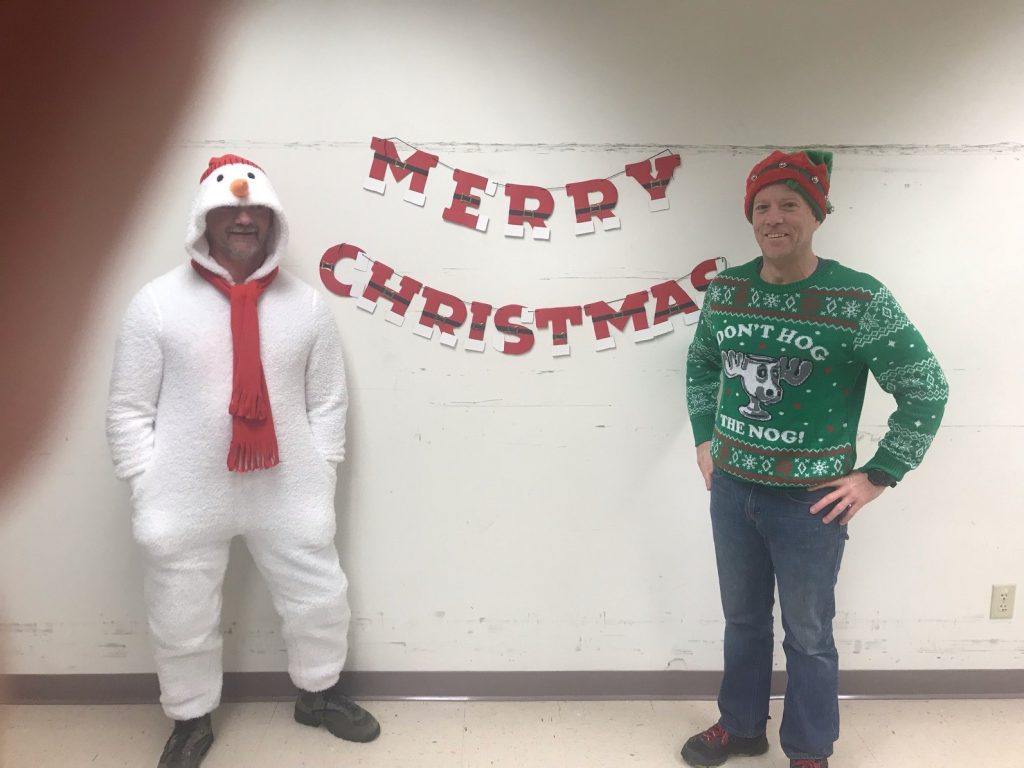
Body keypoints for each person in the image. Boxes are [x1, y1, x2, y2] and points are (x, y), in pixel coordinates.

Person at [106, 155, 380, 768]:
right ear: (202, 218)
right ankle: (190, 719)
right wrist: (145, 484)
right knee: (181, 611)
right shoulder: (156, 304)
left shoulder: (306, 306)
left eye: (256, 208)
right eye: (228, 209)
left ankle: (319, 695)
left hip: (287, 485)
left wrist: (321, 470)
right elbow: (127, 409)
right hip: (185, 490)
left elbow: (328, 402)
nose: (243, 218)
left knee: (320, 596)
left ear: (273, 219)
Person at [681, 150, 948, 768]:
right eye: (762, 207)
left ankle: (807, 750)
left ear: (817, 214)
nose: (773, 218)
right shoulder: (727, 290)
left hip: (811, 503)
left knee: (808, 634)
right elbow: (701, 363)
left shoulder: (858, 298)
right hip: (732, 490)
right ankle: (741, 727)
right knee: (743, 620)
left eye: (789, 204)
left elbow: (926, 388)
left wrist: (879, 474)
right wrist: (704, 437)